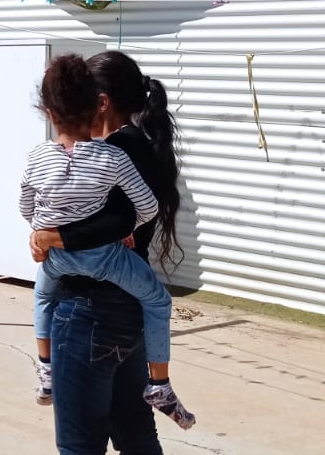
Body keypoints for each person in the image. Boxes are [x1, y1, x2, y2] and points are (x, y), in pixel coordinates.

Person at [0, 50, 185, 455]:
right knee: (138, 444)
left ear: (97, 103)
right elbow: (131, 216)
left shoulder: (111, 151)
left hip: (89, 313)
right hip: (125, 315)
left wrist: (54, 236)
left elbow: (117, 219)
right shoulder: (139, 148)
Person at [20, 55, 195, 429]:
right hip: (116, 275)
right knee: (134, 435)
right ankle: (159, 382)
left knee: (83, 446)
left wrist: (47, 233)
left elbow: (35, 207)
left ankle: (45, 368)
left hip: (91, 295)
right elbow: (140, 209)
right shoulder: (122, 149)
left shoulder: (105, 150)